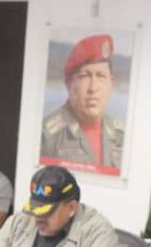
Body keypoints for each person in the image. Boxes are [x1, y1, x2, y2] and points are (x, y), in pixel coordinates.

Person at [41, 34, 124, 170]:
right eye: (85, 76)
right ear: (69, 84)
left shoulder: (122, 136)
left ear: (111, 83)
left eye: (101, 76)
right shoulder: (46, 136)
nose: (93, 88)